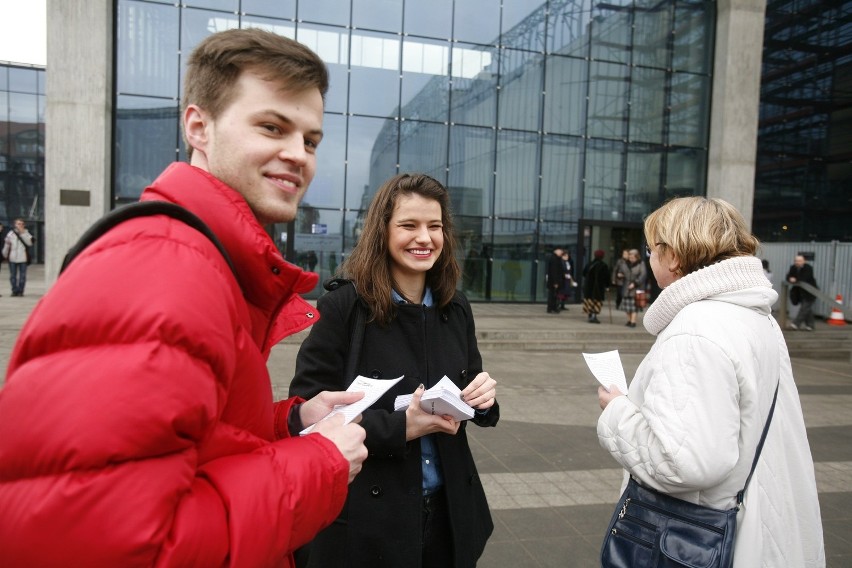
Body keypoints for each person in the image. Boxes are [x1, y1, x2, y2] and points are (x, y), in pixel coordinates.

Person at [0, 28, 370, 567]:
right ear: (199, 126)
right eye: (272, 127)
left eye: (310, 141)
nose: (298, 155)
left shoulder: (204, 260)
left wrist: (290, 424)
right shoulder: (166, 268)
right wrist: (319, 461)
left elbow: (181, 445)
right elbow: (108, 542)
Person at [597, 197, 825, 567]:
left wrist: (617, 410)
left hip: (701, 540)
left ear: (672, 257)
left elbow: (684, 463)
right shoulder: (752, 315)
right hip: (761, 521)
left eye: (651, 249)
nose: (649, 258)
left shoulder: (697, 329)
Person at [289, 173, 499, 568]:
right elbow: (307, 416)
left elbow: (470, 384)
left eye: (434, 226)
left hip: (449, 514)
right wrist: (403, 427)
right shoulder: (343, 308)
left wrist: (483, 400)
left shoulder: (456, 307)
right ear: (382, 232)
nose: (425, 238)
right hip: (369, 521)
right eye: (409, 225)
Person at [2, 217, 33, 296]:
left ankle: (20, 291)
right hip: (12, 257)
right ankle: (14, 290)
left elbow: (30, 243)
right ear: (15, 225)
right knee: (13, 276)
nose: (20, 225)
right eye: (18, 224)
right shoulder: (10, 234)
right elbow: (7, 245)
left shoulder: (27, 233)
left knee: (22, 276)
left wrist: (23, 234)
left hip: (23, 258)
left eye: (22, 224)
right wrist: (4, 255)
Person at [786, 254, 818, 331]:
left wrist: (795, 279)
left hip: (810, 292)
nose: (797, 262)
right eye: (796, 261)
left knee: (804, 308)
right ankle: (810, 325)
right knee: (807, 309)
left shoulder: (808, 268)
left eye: (799, 261)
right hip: (800, 292)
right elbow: (788, 276)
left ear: (804, 261)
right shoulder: (793, 267)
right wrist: (790, 278)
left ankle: (795, 324)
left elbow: (805, 278)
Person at [619, 248, 647, 327]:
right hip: (626, 287)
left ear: (636, 257)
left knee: (634, 307)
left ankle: (633, 321)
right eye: (630, 257)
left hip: (636, 288)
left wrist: (635, 283)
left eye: (633, 257)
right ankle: (629, 320)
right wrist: (620, 275)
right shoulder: (625, 263)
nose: (631, 259)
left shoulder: (641, 263)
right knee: (626, 306)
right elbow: (621, 271)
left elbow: (643, 275)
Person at [582, 249, 609, 323]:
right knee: (597, 301)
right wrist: (607, 286)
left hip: (589, 287)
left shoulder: (589, 264)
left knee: (589, 300)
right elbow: (607, 277)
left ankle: (590, 314)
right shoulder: (604, 265)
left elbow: (584, 273)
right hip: (598, 287)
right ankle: (594, 316)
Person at [546, 246, 567, 313]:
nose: (562, 252)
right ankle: (551, 308)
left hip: (556, 281)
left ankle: (553, 307)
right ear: (556, 251)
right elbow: (554, 271)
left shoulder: (557, 258)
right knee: (552, 295)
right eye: (561, 251)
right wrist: (555, 282)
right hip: (554, 281)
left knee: (554, 295)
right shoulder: (554, 259)